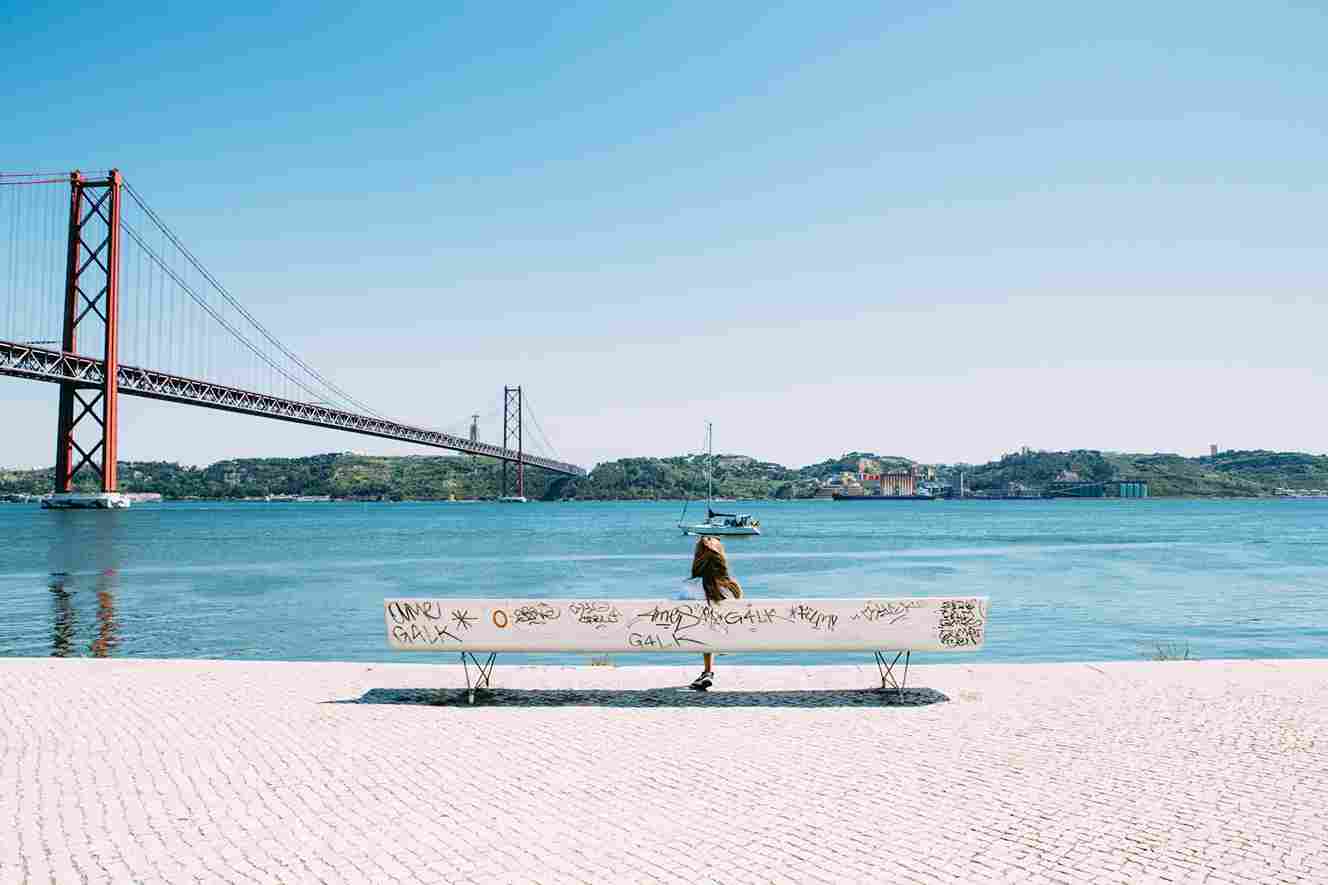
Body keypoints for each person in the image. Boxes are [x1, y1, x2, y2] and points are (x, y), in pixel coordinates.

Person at [687, 535, 742, 690]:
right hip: (730, 638)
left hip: (698, 638)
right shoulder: (733, 588)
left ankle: (708, 671)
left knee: (705, 628)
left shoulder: (691, 586)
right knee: (711, 628)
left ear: (697, 558)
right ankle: (707, 672)